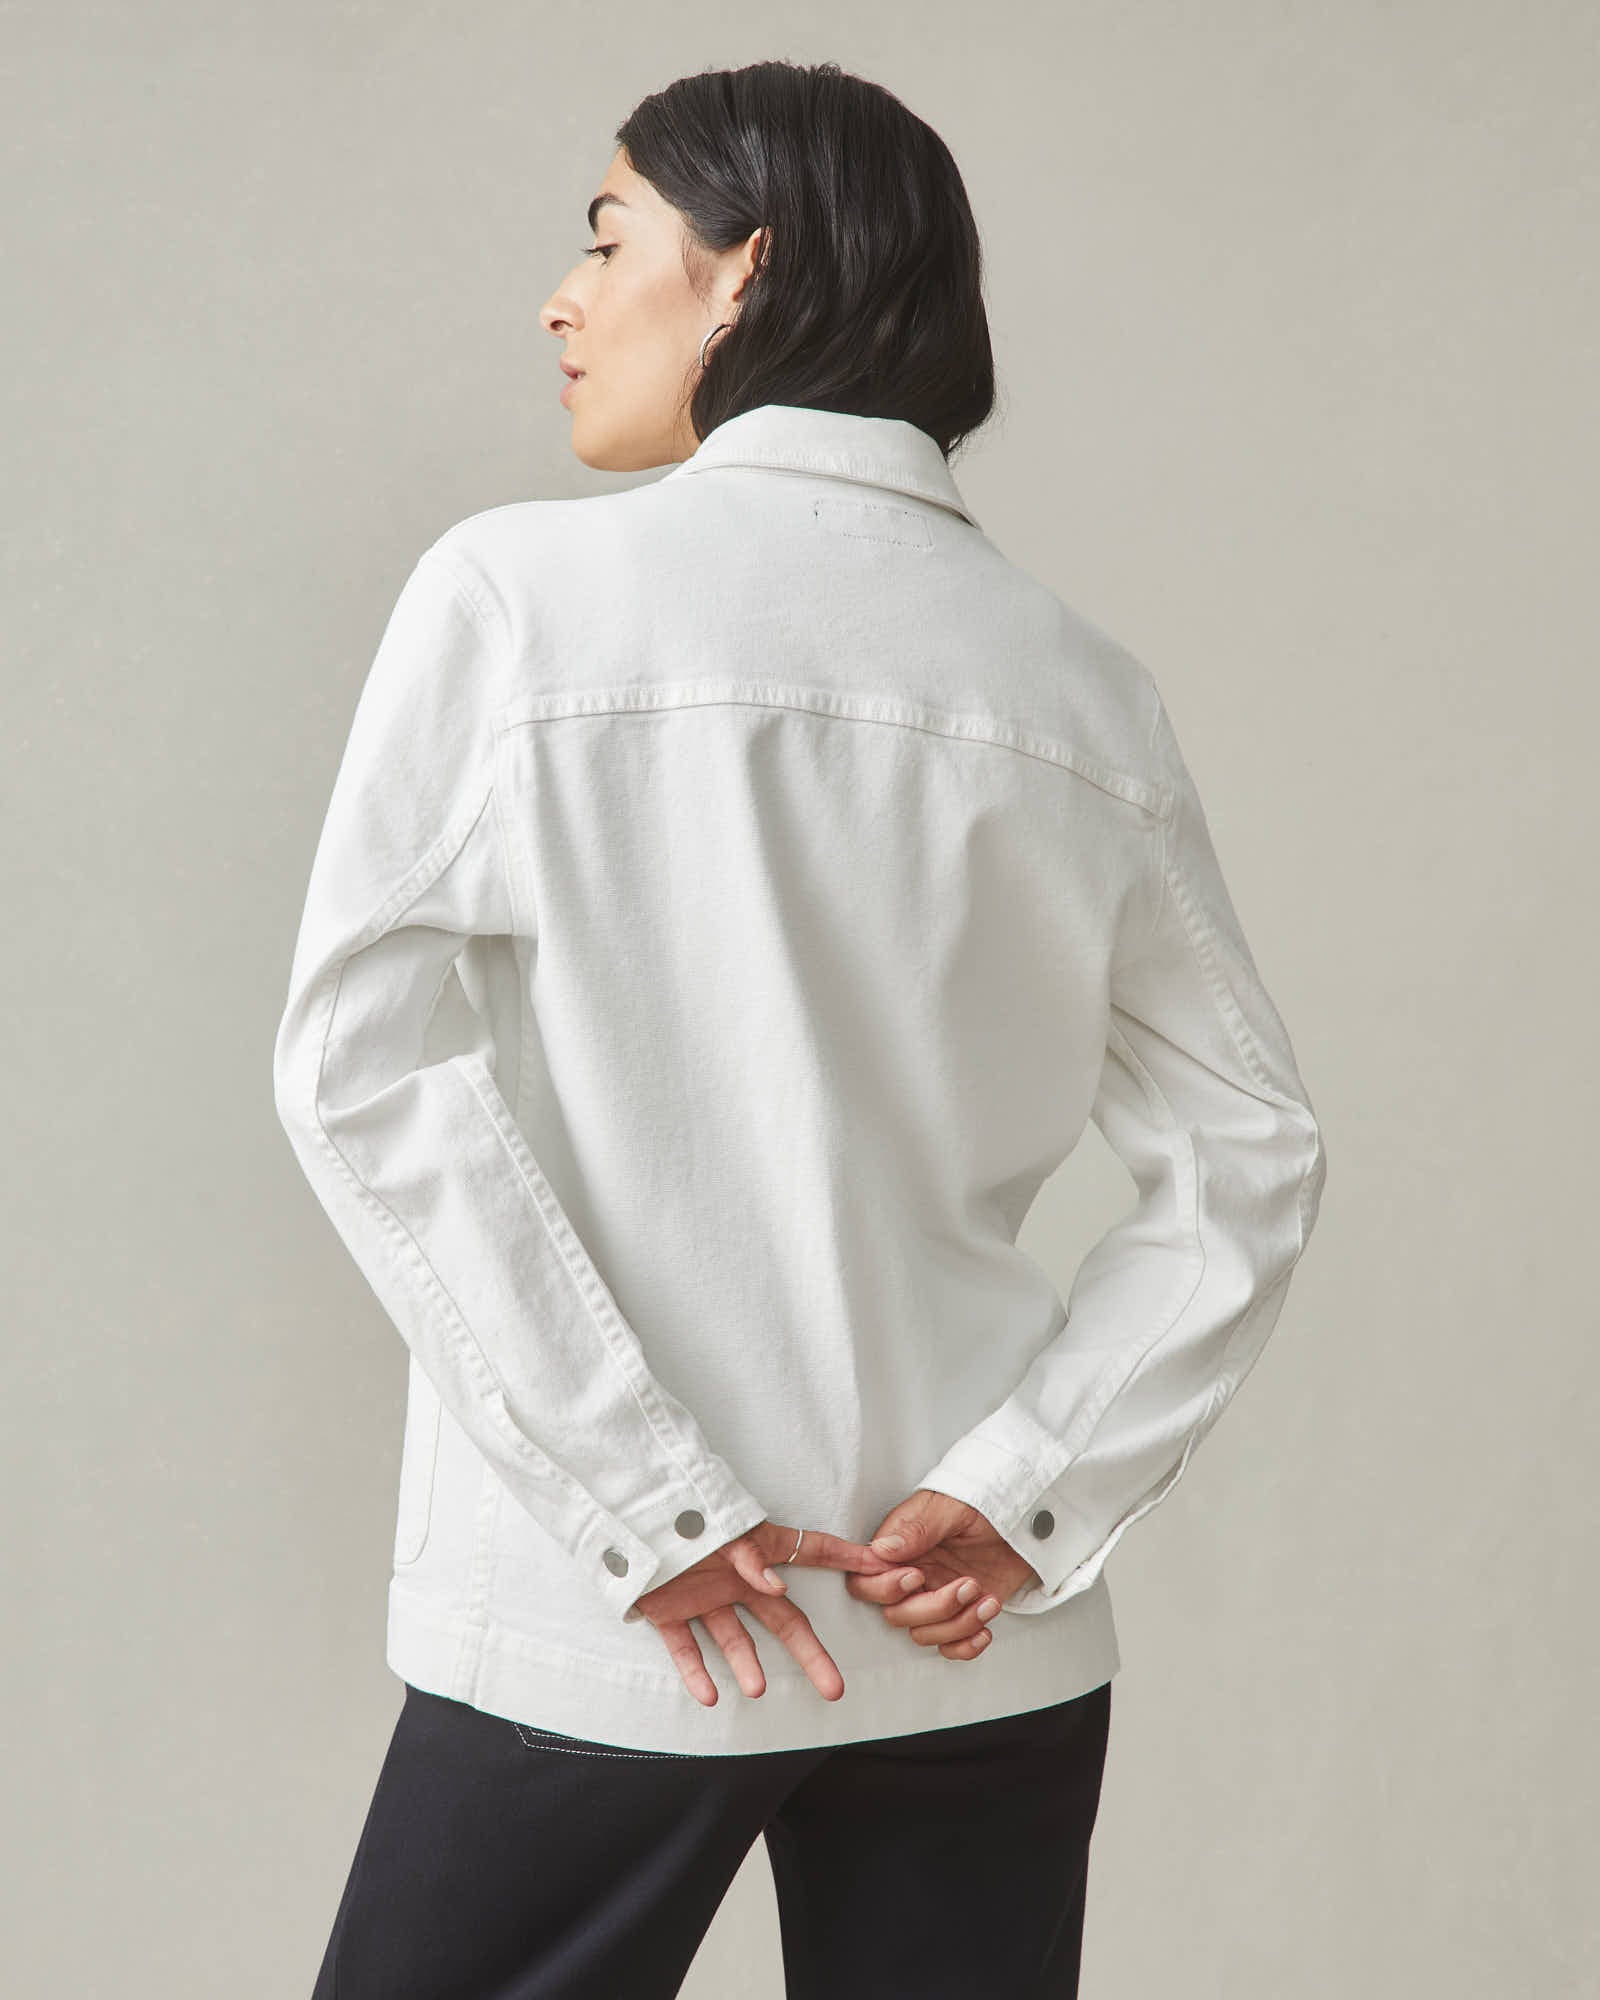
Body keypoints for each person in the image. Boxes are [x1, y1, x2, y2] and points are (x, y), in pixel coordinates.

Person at [272, 57, 1327, 2000]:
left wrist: (644, 1503)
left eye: (609, 240)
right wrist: (1023, 1493)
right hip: (963, 1631)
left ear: (746, 270)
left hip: (623, 1624)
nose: (562, 299)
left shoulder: (519, 595)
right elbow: (1248, 1153)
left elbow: (361, 1065)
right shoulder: (1078, 687)